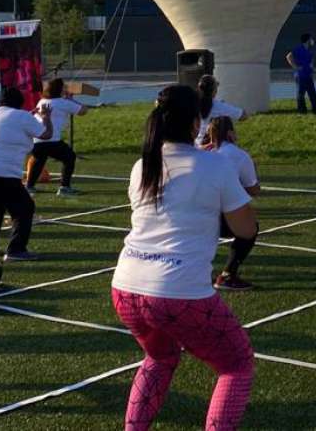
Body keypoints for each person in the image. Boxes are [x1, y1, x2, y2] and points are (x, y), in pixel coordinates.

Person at [111, 84, 257, 429]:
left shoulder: (141, 165)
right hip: (177, 290)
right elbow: (246, 229)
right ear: (196, 123)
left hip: (126, 286)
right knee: (236, 365)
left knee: (159, 357)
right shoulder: (215, 165)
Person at [0, 86, 52, 262]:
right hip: (1, 173)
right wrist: (46, 117)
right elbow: (46, 134)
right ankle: (16, 249)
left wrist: (30, 117)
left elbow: (10, 126)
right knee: (24, 208)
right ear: (19, 102)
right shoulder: (21, 116)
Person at [206, 115, 261, 291]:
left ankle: (195, 273)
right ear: (231, 133)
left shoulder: (202, 153)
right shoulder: (240, 156)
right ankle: (228, 274)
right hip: (222, 216)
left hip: (195, 212)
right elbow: (253, 189)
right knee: (250, 229)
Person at [28, 78, 86, 198]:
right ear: (59, 89)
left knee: (39, 159)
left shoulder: (42, 101)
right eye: (63, 87)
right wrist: (72, 100)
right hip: (51, 139)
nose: (65, 88)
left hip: (37, 139)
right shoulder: (63, 102)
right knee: (69, 157)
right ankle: (64, 187)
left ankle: (29, 187)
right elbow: (83, 111)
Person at [195, 75, 248, 146]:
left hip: (197, 145)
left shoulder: (194, 103)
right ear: (214, 90)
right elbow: (243, 116)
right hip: (211, 146)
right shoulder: (218, 105)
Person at [286, 32, 316, 114]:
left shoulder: (309, 50)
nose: (312, 41)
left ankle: (315, 110)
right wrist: (295, 67)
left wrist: (311, 70)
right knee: (301, 94)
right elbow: (288, 56)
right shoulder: (298, 48)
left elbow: (310, 62)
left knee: (312, 93)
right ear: (307, 40)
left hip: (308, 75)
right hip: (300, 75)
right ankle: (302, 110)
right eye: (311, 39)